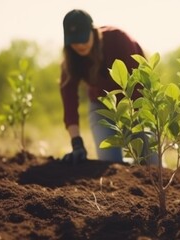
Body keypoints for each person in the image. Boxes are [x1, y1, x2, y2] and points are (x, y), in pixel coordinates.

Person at [60, 9, 148, 164]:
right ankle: (126, 165)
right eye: (74, 41)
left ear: (93, 31)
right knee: (109, 165)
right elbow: (69, 100)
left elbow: (139, 85)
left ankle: (134, 163)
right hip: (102, 106)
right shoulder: (71, 58)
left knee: (150, 165)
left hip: (136, 106)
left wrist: (135, 130)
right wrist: (77, 143)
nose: (79, 45)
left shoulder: (118, 40)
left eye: (83, 39)